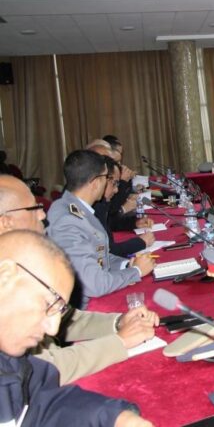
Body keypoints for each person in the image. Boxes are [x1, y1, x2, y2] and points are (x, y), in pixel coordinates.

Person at [0, 174, 158, 385]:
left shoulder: (19, 258)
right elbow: (44, 369)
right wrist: (120, 342)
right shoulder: (10, 277)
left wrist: (117, 322)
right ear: (5, 222)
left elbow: (65, 318)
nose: (42, 214)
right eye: (33, 208)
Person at [0, 230, 153, 426]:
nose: (53, 329)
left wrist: (114, 418)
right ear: (5, 276)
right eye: (48, 304)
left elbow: (41, 401)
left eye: (59, 310)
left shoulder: (12, 360)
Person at [47, 150, 155, 309]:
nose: (110, 185)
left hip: (98, 294)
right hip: (84, 310)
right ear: (96, 182)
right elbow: (94, 284)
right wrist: (136, 271)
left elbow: (99, 255)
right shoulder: (67, 221)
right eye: (107, 178)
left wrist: (127, 264)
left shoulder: (75, 207)